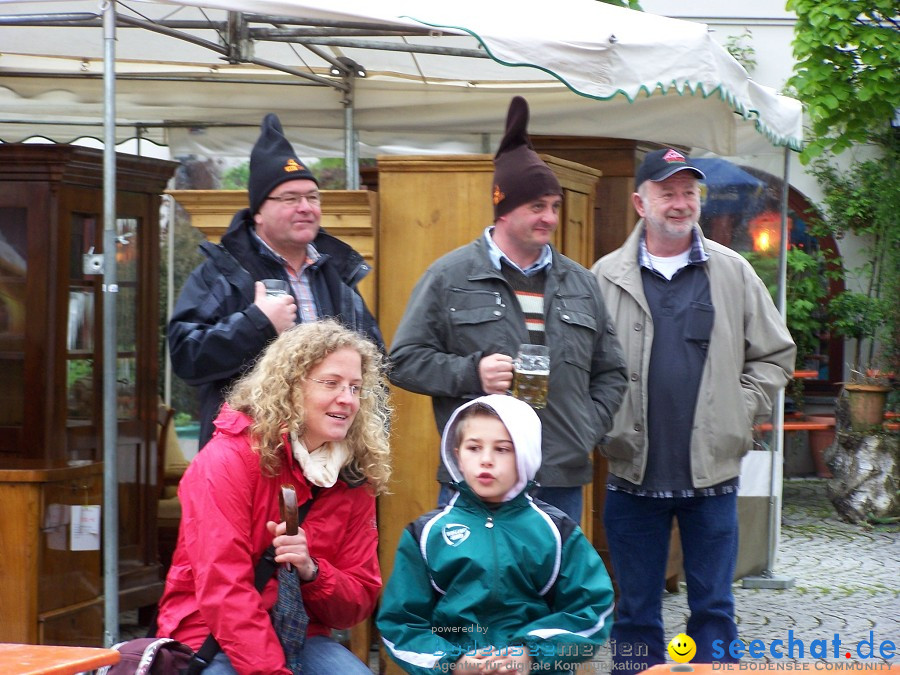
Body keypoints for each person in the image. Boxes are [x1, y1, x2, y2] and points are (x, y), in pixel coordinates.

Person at [590, 148, 796, 673]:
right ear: (641, 202)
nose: (681, 203)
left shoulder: (733, 272)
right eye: (668, 192)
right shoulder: (604, 276)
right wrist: (600, 420)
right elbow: (583, 364)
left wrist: (740, 406)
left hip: (714, 479)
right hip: (633, 475)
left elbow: (776, 354)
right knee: (635, 612)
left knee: (714, 611)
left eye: (689, 193)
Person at [388, 95, 627, 522]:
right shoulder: (449, 276)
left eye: (554, 207)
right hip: (476, 476)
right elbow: (403, 362)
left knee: (552, 586)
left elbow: (611, 372)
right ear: (503, 208)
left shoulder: (581, 282)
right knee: (472, 587)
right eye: (537, 206)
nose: (550, 218)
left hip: (558, 476)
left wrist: (585, 426)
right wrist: (472, 373)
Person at [155, 320, 391, 675]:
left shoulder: (354, 475)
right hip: (211, 634)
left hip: (301, 635)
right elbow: (225, 592)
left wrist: (313, 572)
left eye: (355, 388)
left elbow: (355, 606)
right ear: (291, 387)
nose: (347, 399)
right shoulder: (227, 460)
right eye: (331, 383)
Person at [167, 113, 383, 449]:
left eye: (312, 197)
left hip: (332, 460)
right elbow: (186, 357)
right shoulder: (223, 272)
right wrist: (257, 324)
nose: (305, 207)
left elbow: (373, 366)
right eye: (290, 198)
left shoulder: (337, 273)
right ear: (258, 212)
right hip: (254, 456)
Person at [377, 394, 614, 674]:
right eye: (474, 448)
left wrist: (532, 654)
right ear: (457, 456)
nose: (486, 460)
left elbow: (592, 610)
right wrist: (452, 663)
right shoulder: (426, 534)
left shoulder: (557, 532)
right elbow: (401, 622)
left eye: (502, 449)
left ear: (525, 455)